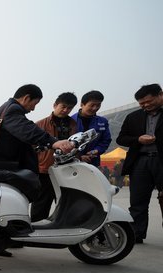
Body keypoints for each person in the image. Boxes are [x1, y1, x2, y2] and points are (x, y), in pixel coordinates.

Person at [0, 84, 75, 257]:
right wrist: (53, 142)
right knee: (3, 205)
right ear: (26, 98)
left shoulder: (8, 109)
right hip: (0, 167)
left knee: (3, 205)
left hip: (1, 165)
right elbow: (27, 130)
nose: (33, 108)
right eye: (34, 104)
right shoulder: (12, 110)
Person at [116, 83, 163, 244]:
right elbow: (121, 138)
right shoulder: (133, 117)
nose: (146, 105)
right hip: (140, 161)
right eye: (142, 103)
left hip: (161, 160)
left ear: (160, 95)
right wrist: (138, 139)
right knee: (138, 201)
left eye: (149, 101)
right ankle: (136, 233)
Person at [31, 92, 78, 222]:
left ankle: (64, 229)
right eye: (63, 106)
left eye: (69, 108)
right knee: (41, 204)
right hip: (45, 170)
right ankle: (37, 230)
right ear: (55, 105)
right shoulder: (40, 124)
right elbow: (31, 148)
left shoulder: (73, 124)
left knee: (66, 202)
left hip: (67, 169)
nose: (65, 110)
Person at [70, 90, 112, 167]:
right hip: (73, 163)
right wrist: (78, 156)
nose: (95, 108)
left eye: (98, 105)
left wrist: (96, 150)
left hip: (93, 162)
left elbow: (106, 140)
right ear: (82, 104)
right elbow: (65, 143)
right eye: (92, 105)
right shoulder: (70, 121)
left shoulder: (103, 121)